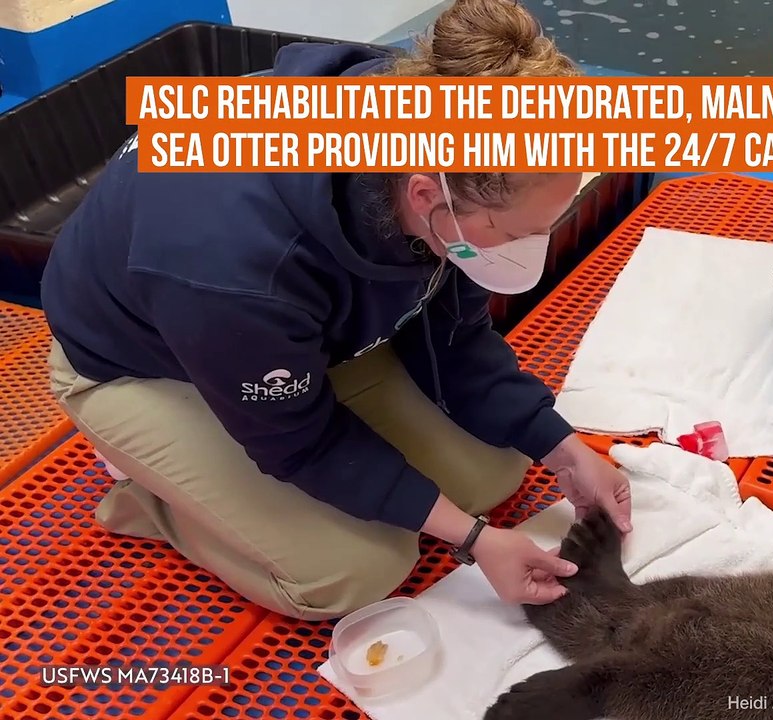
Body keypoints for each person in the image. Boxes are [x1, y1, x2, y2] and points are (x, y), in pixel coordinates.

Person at [40, 0, 632, 622]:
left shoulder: (424, 127)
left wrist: (563, 448)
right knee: (355, 571)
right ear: (427, 195)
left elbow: (455, 340)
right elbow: (299, 443)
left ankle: (283, 430)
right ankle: (158, 499)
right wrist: (473, 540)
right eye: (513, 235)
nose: (525, 252)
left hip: (312, 336)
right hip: (145, 360)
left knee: (496, 471)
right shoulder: (234, 266)